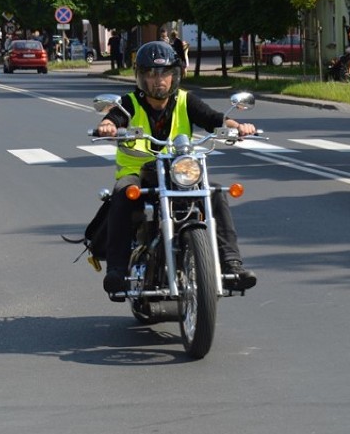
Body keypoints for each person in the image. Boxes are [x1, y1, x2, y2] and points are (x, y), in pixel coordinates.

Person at [95, 41, 257, 295]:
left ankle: (232, 264)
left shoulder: (184, 100)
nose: (158, 80)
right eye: (151, 74)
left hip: (179, 171)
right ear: (141, 77)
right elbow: (114, 117)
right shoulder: (130, 102)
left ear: (175, 76)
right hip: (138, 173)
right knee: (121, 194)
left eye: (165, 73)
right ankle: (116, 271)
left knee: (215, 192)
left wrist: (238, 126)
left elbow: (213, 118)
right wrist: (108, 126)